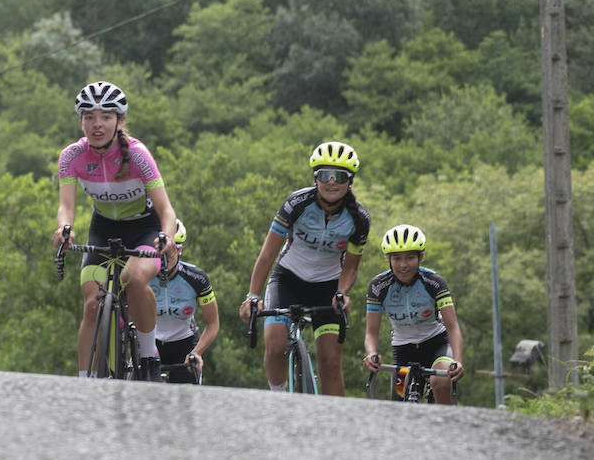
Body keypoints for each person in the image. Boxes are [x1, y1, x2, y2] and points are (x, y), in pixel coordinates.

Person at [53, 80, 178, 381]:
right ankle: (85, 381)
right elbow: (66, 207)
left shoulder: (137, 154)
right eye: (89, 117)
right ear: (80, 120)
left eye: (106, 117)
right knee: (92, 306)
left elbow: (166, 209)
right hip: (103, 229)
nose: (97, 125)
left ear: (120, 121)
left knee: (133, 278)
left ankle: (149, 357)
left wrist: (167, 236)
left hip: (144, 229)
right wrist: (64, 229)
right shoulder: (71, 156)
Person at [239, 141, 370, 395]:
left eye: (339, 176)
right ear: (315, 177)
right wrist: (253, 296)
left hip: (328, 286)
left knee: (330, 363)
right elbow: (267, 255)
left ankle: (336, 427)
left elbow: (352, 268)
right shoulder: (296, 204)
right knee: (276, 346)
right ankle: (278, 398)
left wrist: (342, 292)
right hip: (288, 280)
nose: (331, 182)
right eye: (324, 175)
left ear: (350, 181)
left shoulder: (359, 219)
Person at [362, 224, 465, 404]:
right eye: (396, 258)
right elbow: (371, 332)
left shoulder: (434, 282)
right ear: (388, 259)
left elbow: (452, 326)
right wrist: (371, 353)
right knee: (399, 405)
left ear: (421, 257)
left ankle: (443, 425)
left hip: (436, 344)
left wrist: (458, 361)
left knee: (441, 381)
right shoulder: (378, 287)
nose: (403, 265)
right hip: (403, 350)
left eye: (410, 258)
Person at [148, 219, 218, 384]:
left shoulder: (196, 278)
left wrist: (197, 352)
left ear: (179, 249)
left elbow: (213, 323)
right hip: (151, 343)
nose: (164, 259)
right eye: (160, 252)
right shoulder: (144, 277)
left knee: (183, 401)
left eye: (170, 252)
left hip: (184, 344)